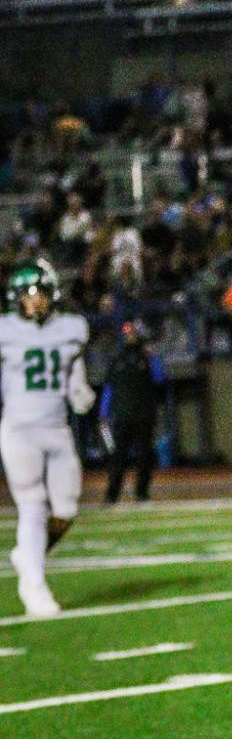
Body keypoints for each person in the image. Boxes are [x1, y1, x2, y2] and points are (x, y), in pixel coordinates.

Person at [0, 262, 91, 617]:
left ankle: (28, 556)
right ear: (16, 299)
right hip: (20, 429)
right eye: (27, 295)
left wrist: (79, 391)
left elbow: (73, 370)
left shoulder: (71, 328)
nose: (33, 301)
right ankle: (34, 586)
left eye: (38, 293)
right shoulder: (5, 330)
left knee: (67, 508)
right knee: (33, 504)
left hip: (57, 428)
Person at [101, 320, 167, 505]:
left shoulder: (147, 358)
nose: (129, 337)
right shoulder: (117, 359)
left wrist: (153, 357)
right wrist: (104, 412)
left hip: (143, 413)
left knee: (144, 456)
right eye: (127, 333)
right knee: (118, 457)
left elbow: (160, 379)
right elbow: (109, 387)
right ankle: (111, 495)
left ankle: (142, 493)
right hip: (122, 414)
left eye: (132, 333)